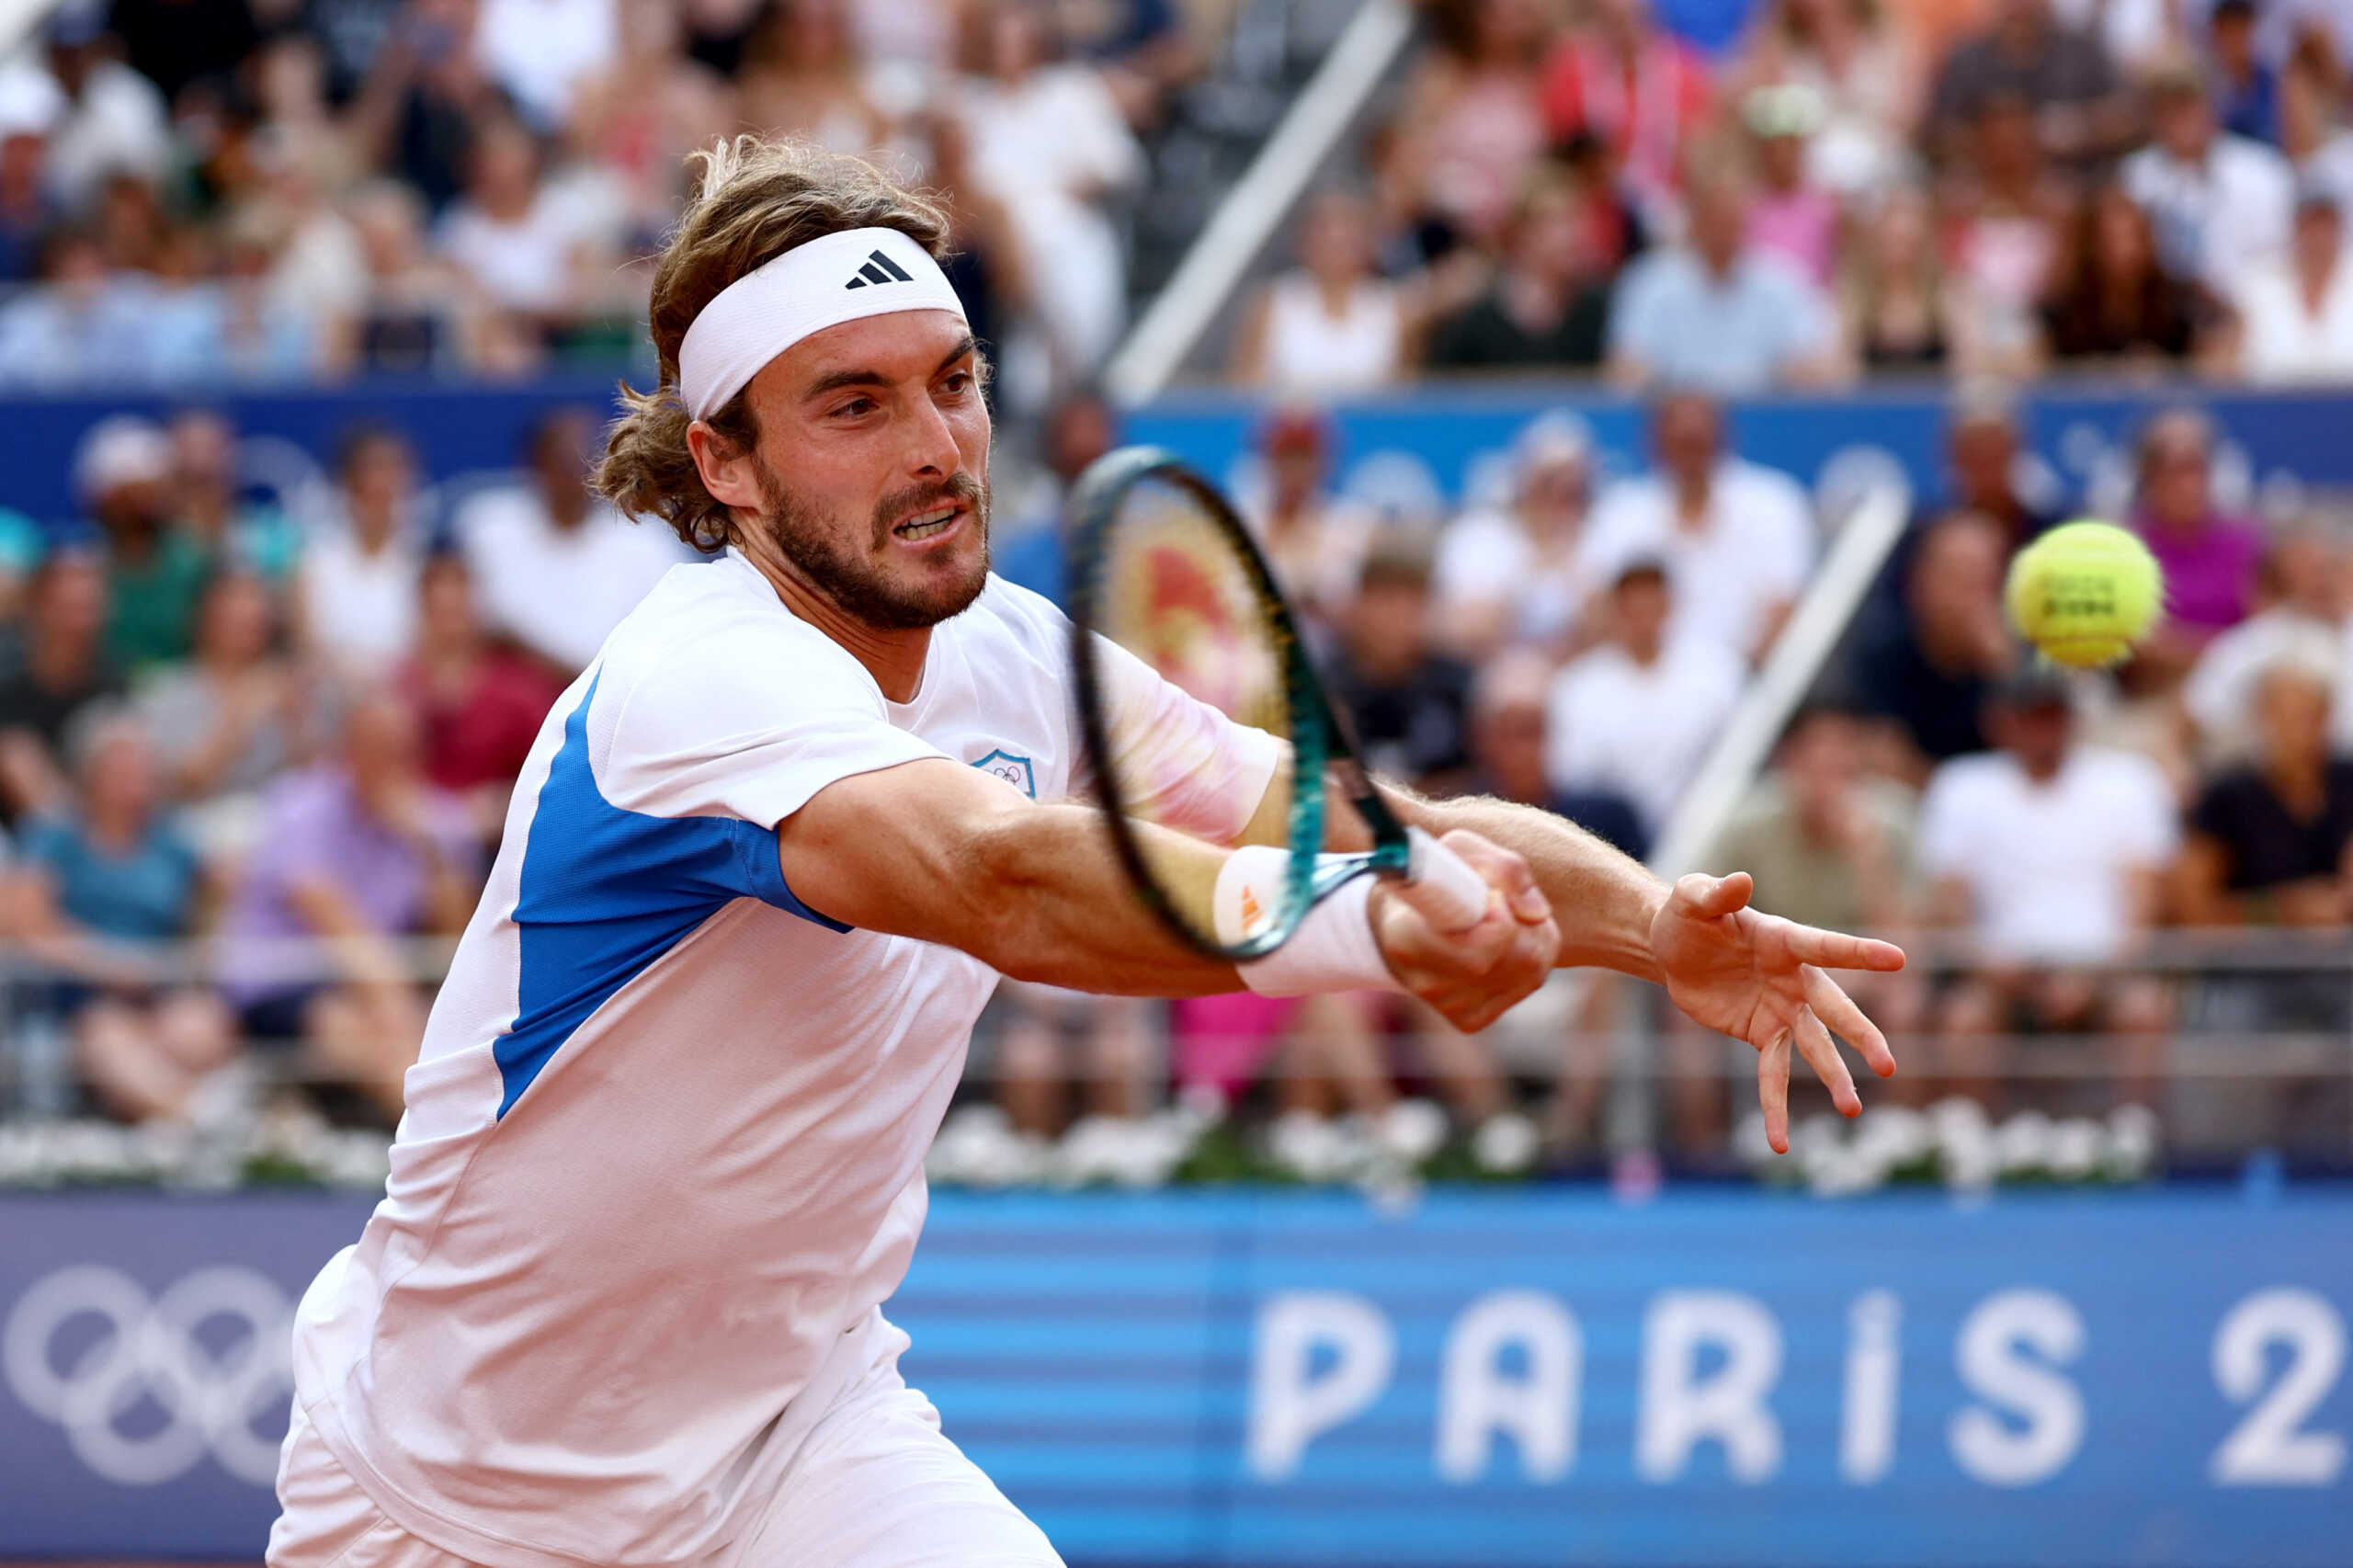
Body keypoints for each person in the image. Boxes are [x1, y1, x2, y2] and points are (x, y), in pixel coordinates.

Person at [266, 137, 1906, 1568]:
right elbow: (1009, 879)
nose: (935, 447)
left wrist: (1647, 925)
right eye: (854, 403)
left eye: (954, 381)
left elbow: (1341, 816)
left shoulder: (1013, 653)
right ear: (725, 467)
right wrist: (1374, 933)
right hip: (459, 1495)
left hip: (795, 1437)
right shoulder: (696, 680)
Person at [1919, 666, 2177, 1112]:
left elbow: (2143, 911)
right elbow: (1951, 909)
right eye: (2029, 715)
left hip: (2105, 970)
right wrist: (2000, 971)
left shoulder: (2129, 782)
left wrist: (2091, 979)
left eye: (2052, 715)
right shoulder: (1961, 786)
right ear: (2001, 721)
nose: (2042, 728)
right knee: (1965, 1017)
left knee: (2145, 1009)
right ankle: (1969, 1144)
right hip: (1999, 972)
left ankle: (2134, 1143)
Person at [218, 692, 480, 1125]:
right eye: (376, 744)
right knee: (354, 1026)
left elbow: (455, 937)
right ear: (346, 747)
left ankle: (444, 1142)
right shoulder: (300, 805)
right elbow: (332, 919)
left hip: (381, 985)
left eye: (401, 747)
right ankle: (443, 1140)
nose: (389, 759)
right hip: (286, 981)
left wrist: (427, 848)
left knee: (396, 1028)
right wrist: (398, 1006)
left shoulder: (436, 819)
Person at [2, 708, 233, 1124]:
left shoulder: (171, 840)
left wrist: (197, 956)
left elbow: (224, 895)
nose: (136, 779)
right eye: (123, 768)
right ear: (91, 774)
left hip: (160, 991)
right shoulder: (54, 836)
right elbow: (26, 925)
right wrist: (108, 964)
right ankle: (198, 1121)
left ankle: (185, 1118)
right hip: (80, 999)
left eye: (144, 768)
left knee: (204, 1026)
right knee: (110, 1040)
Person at [1577, 391, 1815, 664]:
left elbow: (1784, 609)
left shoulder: (1774, 502)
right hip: (1639, 676)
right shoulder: (1620, 510)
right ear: (1655, 442)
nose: (1689, 453)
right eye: (1680, 441)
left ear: (1723, 437)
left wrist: (1744, 685)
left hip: (1750, 676)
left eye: (1698, 441)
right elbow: (1599, 608)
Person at [456, 407, 695, 673]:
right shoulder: (487, 527)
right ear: (535, 464)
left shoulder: (647, 538)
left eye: (588, 462)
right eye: (563, 462)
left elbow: (676, 634)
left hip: (620, 693)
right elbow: (466, 627)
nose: (576, 475)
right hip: (515, 694)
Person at [1545, 558, 1745, 840]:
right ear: (1615, 612)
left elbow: (1736, 759)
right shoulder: (1579, 685)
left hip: (1706, 823)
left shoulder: (1719, 672)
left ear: (1670, 607)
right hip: (1617, 838)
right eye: (1633, 610)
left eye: (1653, 608)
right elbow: (1577, 777)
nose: (1644, 621)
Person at [1605, 166, 1843, 394]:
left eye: (1730, 216)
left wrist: (1800, 371)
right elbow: (1627, 366)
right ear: (1695, 219)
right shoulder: (1650, 283)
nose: (1722, 228)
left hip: (1764, 423)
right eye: (1713, 216)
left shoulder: (1784, 281)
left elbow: (1815, 363)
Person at [1845, 510, 2019, 784]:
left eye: (1982, 579)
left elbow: (2033, 767)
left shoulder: (2023, 658)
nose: (1968, 595)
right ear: (1918, 581)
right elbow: (1879, 758)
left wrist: (2006, 673)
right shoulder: (1879, 655)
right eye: (1955, 577)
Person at [398, 551, 566, 834]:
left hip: (496, 840)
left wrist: (503, 802)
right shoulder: (398, 685)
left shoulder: (518, 691)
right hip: (409, 839)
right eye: (438, 611)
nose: (448, 626)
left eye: (457, 611)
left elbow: (554, 772)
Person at [2120, 57, 2295, 293]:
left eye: (2187, 103)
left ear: (2212, 107)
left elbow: (2278, 262)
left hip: (2245, 307)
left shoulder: (2261, 172)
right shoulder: (2135, 179)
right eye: (2167, 107)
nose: (2179, 118)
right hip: (2163, 315)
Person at [1433, 414, 1598, 661]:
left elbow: (1614, 630)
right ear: (1524, 480)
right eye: (1549, 481)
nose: (1559, 492)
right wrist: (1529, 572)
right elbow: (1459, 629)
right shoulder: (1480, 535)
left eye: (1573, 487)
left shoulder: (1601, 538)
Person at [1423, 164, 1614, 374]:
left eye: (1576, 223)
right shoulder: (1476, 320)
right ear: (1523, 234)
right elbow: (1442, 394)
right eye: (1557, 224)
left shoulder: (1600, 313)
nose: (1572, 237)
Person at [1324, 537, 1477, 794]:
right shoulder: (1325, 686)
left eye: (1413, 599)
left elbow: (1480, 777)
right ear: (1359, 603)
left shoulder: (1458, 684)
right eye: (1387, 598)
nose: (1399, 615)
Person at [1231, 187, 1406, 397]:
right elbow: (1241, 393)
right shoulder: (1270, 304)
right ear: (1303, 241)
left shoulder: (1395, 309)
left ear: (1368, 242)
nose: (1335, 244)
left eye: (1347, 236)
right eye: (1324, 233)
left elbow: (1403, 397)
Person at [296, 425, 429, 683]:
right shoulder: (313, 562)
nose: (380, 486)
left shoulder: (426, 561)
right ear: (346, 483)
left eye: (392, 474)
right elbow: (306, 649)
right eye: (367, 475)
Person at [0, 547, 124, 821]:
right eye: (71, 608)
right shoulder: (6, 675)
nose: (82, 623)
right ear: (39, 608)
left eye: (91, 609)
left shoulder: (113, 681)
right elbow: (23, 779)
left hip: (88, 828)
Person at [2222, 188, 2353, 383]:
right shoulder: (2257, 283)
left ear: (2339, 230)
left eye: (2326, 227)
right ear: (2295, 230)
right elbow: (2226, 356)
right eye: (2310, 227)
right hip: (2270, 403)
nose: (2318, 237)